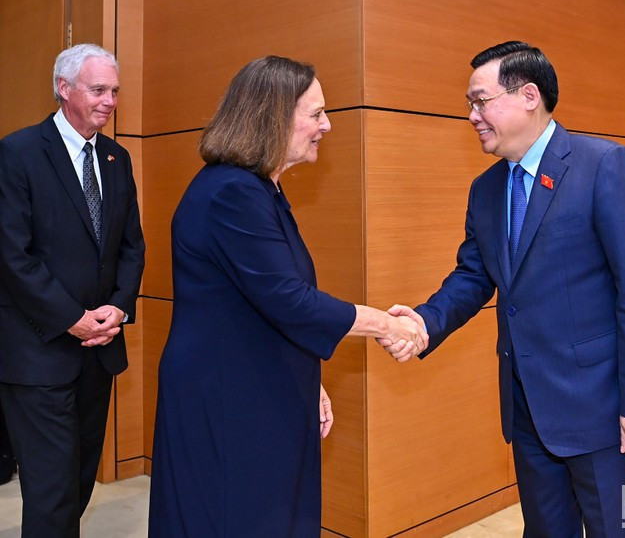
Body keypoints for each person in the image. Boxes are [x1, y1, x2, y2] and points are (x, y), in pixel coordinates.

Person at [389, 41, 625, 536]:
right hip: (530, 415)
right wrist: (424, 321)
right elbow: (474, 275)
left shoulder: (606, 165)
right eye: (469, 105)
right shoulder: (485, 189)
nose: (472, 115)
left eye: (481, 101)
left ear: (528, 95)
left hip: (611, 419)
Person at [148, 56, 427, 537]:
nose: (328, 125)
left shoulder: (260, 190)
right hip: (225, 397)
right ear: (273, 116)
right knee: (237, 516)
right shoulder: (231, 192)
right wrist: (385, 324)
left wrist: (305, 378)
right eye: (316, 113)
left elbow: (261, 302)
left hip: (254, 385)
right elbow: (290, 300)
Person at [0, 44, 145, 537]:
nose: (109, 101)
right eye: (98, 89)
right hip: (38, 351)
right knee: (52, 493)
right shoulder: (16, 153)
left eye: (115, 91)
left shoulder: (116, 157)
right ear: (64, 89)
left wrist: (117, 310)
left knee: (79, 484)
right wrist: (72, 317)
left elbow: (131, 246)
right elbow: (13, 257)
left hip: (98, 350)